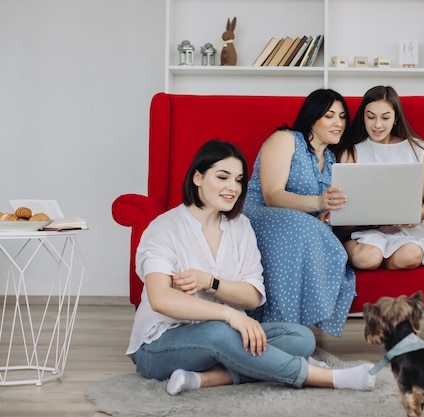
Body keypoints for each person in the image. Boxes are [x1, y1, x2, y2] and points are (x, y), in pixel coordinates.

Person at [126, 139, 375, 396]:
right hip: (160, 345)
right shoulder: (163, 228)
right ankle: (324, 377)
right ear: (197, 178)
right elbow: (160, 299)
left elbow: (253, 297)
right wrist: (230, 315)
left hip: (225, 335)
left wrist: (210, 282)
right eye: (222, 177)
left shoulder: (240, 226)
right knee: (219, 332)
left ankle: (206, 379)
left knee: (301, 338)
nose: (232, 188)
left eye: (238, 180)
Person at [243, 89, 354, 337]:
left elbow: (322, 209)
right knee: (304, 227)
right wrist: (319, 202)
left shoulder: (332, 160)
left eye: (343, 116)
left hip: (302, 227)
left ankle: (295, 332)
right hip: (259, 215)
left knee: (315, 229)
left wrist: (327, 214)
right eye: (330, 116)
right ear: (312, 118)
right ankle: (281, 328)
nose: (339, 123)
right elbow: (272, 195)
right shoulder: (286, 139)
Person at [337, 85, 424, 271]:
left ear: (395, 119)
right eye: (371, 117)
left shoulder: (416, 149)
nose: (377, 124)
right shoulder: (352, 152)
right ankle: (375, 256)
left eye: (385, 118)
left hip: (407, 230)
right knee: (368, 258)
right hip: (365, 231)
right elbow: (342, 208)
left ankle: (384, 258)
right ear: (363, 117)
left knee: (411, 255)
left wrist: (417, 215)